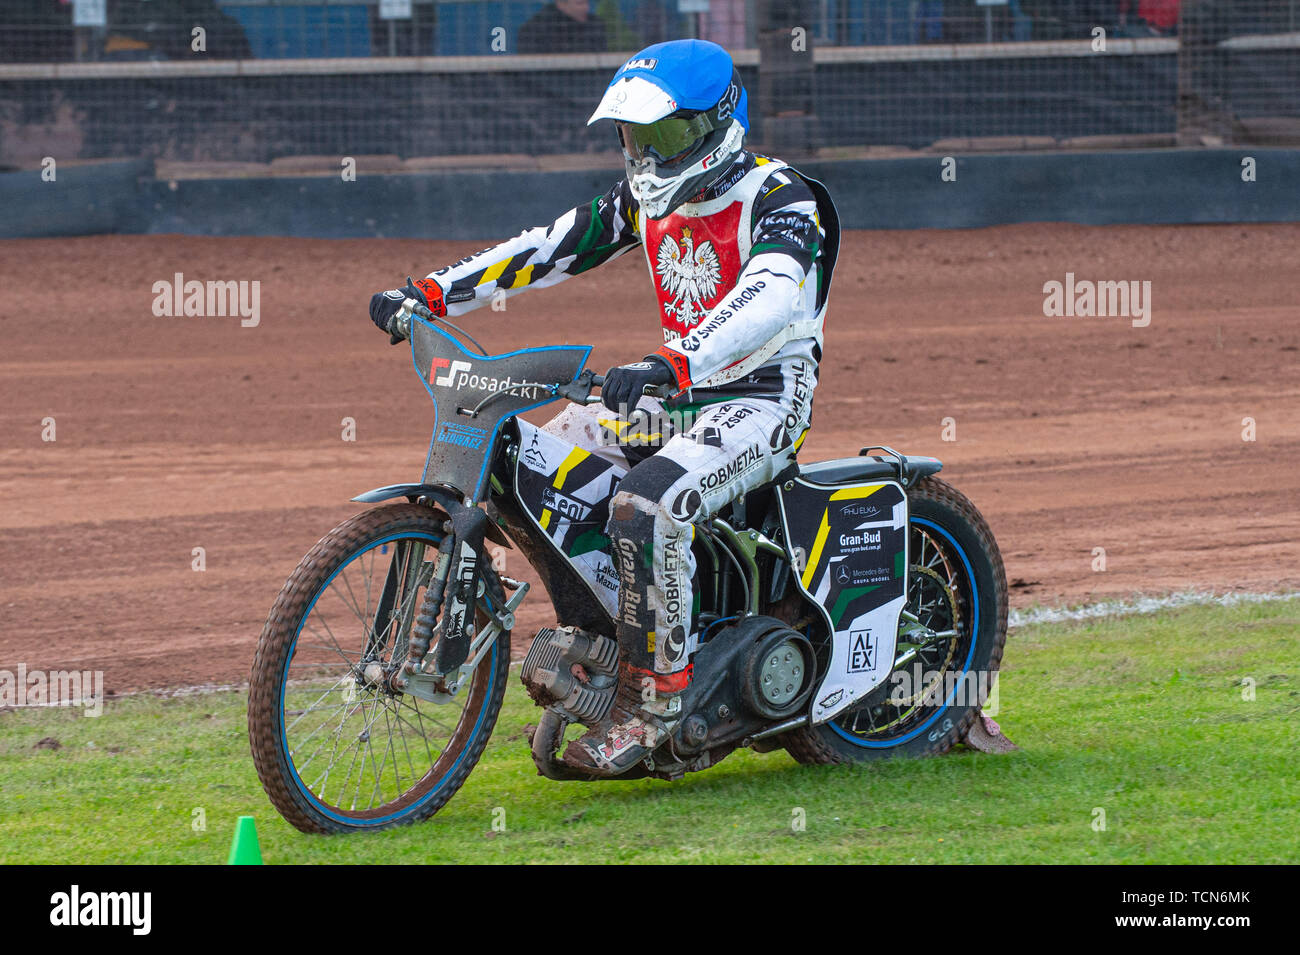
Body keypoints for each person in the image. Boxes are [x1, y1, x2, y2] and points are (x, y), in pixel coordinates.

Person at [368, 39, 838, 776]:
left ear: (718, 123)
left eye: (666, 137)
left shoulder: (780, 197)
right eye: (635, 139)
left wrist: (673, 361)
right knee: (520, 458)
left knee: (647, 505)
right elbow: (548, 248)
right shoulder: (641, 201)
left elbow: (771, 297)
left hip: (760, 402)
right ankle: (607, 644)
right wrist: (431, 290)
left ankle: (658, 706)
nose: (648, 157)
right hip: (672, 397)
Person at [517, 0, 607, 54]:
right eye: (580, 3)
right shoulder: (536, 29)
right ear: (561, 4)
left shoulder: (595, 25)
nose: (586, 8)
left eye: (587, 2)